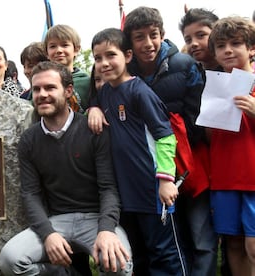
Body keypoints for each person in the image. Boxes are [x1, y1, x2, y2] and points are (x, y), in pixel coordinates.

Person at [0, 61, 132, 275]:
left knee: (119, 264)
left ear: (68, 90)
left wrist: (106, 230)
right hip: (56, 220)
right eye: (36, 89)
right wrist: (47, 234)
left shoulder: (93, 130)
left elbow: (108, 188)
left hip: (95, 218)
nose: (42, 94)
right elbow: (30, 194)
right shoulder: (29, 140)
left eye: (50, 88)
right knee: (10, 260)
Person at [90, 27, 186, 276]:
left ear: (128, 56)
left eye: (111, 55)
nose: (104, 63)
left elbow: (165, 137)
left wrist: (166, 180)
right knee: (139, 256)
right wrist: (94, 109)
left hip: (154, 190)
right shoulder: (105, 92)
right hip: (127, 194)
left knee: (166, 256)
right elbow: (96, 103)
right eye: (97, 58)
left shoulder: (140, 91)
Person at [207, 16, 255, 276]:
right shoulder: (213, 86)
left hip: (253, 179)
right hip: (224, 178)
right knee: (233, 245)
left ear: (251, 48)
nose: (228, 50)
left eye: (236, 43)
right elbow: (208, 136)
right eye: (221, 45)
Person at [178, 8, 220, 276]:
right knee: (191, 240)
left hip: (233, 171)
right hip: (194, 170)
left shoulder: (239, 74)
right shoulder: (187, 73)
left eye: (201, 35)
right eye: (188, 38)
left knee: (231, 244)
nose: (194, 43)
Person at [43, 24, 90, 113]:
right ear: (46, 53)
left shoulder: (87, 82)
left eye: (64, 45)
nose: (59, 50)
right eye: (53, 46)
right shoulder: (41, 84)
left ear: (76, 49)